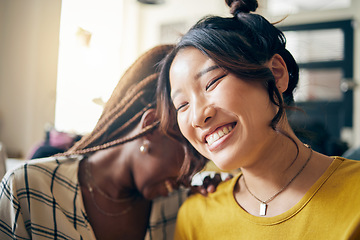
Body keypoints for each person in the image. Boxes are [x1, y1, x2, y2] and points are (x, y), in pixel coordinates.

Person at [157, 0, 360, 239]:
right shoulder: (195, 217)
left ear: (276, 74)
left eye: (212, 82)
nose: (198, 116)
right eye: (182, 105)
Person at [0, 44, 214, 240]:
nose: (188, 178)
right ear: (151, 126)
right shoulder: (28, 190)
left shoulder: (177, 205)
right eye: (191, 156)